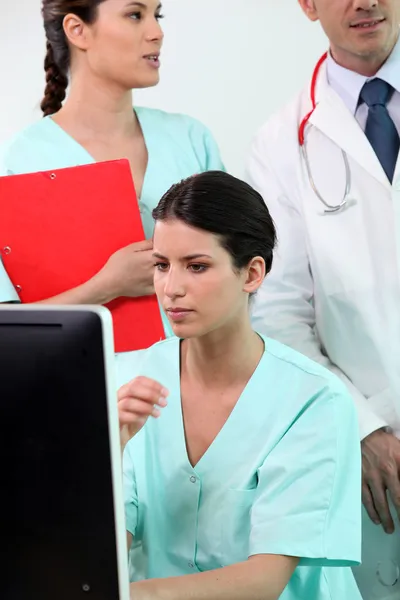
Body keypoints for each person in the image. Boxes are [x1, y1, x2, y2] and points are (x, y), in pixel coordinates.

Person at [116, 170, 362, 600]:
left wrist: (125, 596)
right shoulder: (126, 380)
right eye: (161, 265)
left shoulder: (315, 401)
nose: (171, 288)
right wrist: (109, 451)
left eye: (196, 266)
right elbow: (105, 555)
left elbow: (263, 581)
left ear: (251, 274)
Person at [245, 1, 400, 598]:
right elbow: (279, 312)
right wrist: (360, 427)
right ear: (307, 3)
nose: (366, 2)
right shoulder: (281, 141)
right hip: (367, 460)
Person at [0, 0, 224, 339]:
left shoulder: (191, 139)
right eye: (135, 15)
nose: (157, 32)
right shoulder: (20, 162)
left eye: (157, 15)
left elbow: (240, 271)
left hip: (200, 379)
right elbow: (9, 326)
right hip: (85, 381)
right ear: (78, 30)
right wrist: (106, 286)